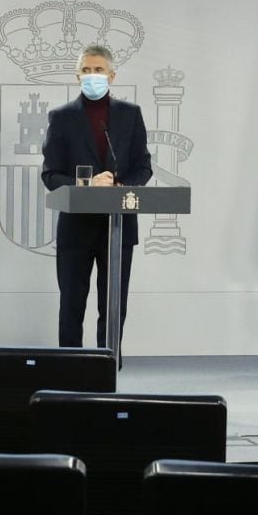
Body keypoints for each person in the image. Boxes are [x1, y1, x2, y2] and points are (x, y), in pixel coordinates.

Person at [41, 44, 153, 354]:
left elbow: (143, 166)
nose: (93, 76)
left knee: (114, 306)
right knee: (72, 304)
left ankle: (107, 368)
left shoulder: (130, 115)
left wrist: (117, 184)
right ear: (77, 76)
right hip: (76, 228)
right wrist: (89, 183)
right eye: (87, 71)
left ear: (112, 75)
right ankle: (71, 370)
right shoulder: (62, 117)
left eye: (99, 70)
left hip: (118, 228)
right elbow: (50, 174)